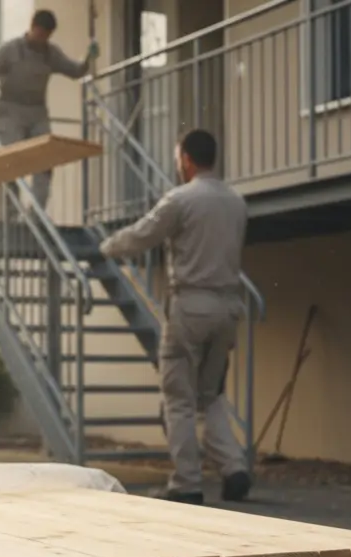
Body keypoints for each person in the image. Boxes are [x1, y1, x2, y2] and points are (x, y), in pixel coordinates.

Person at [98, 129, 253, 505]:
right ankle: (235, 469)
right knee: (211, 393)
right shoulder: (237, 201)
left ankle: (187, 482)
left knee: (179, 398)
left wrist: (106, 247)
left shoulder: (181, 199)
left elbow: (144, 234)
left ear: (185, 158)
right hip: (229, 308)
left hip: (190, 306)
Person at [0, 9, 99, 212]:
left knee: (44, 160)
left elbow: (75, 71)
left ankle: (37, 213)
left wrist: (88, 58)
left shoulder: (51, 54)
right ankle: (12, 211)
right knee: (11, 162)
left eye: (47, 36)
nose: (42, 40)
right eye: (40, 34)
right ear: (32, 28)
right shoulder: (10, 49)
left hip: (37, 112)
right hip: (10, 110)